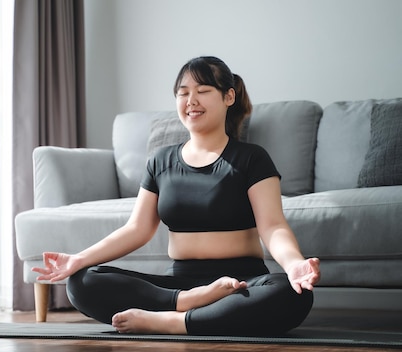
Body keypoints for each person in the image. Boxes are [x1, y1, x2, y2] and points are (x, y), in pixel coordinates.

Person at [33, 56, 320, 336]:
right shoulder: (161, 161)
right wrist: (78, 260)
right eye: (183, 93)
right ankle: (186, 306)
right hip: (179, 286)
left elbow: (273, 226)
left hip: (241, 282)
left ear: (228, 97)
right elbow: (137, 230)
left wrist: (294, 264)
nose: (191, 101)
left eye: (203, 91)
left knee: (292, 294)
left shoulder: (252, 158)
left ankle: (171, 323)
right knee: (82, 282)